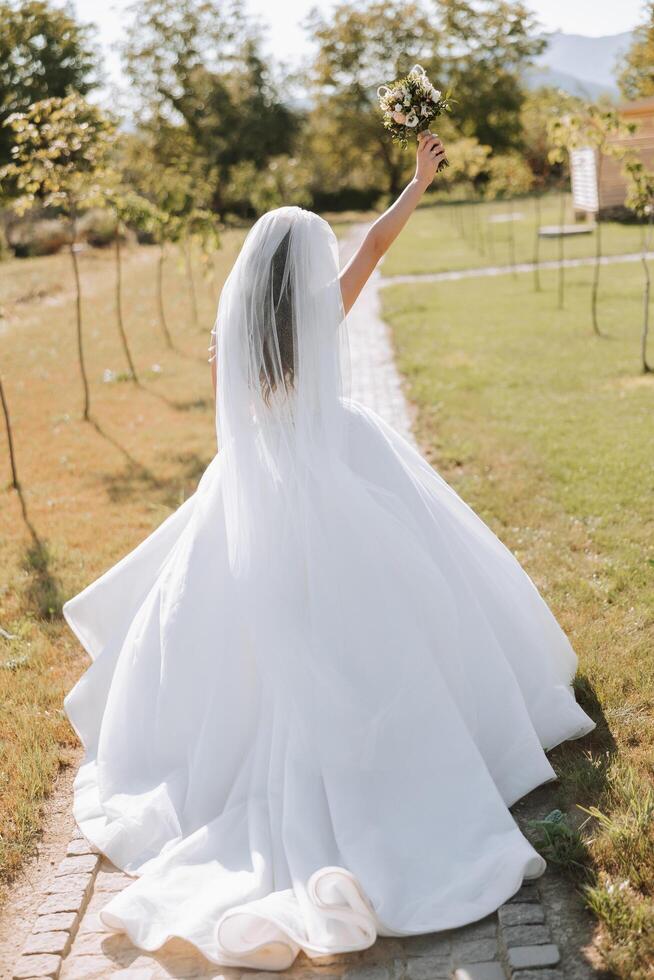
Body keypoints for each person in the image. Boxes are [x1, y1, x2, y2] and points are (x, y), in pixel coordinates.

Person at [63, 132, 595, 970]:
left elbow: (242, 421)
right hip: (336, 475)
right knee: (406, 600)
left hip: (256, 499)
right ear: (301, 277)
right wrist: (417, 182)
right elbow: (376, 242)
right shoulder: (320, 316)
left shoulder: (232, 345)